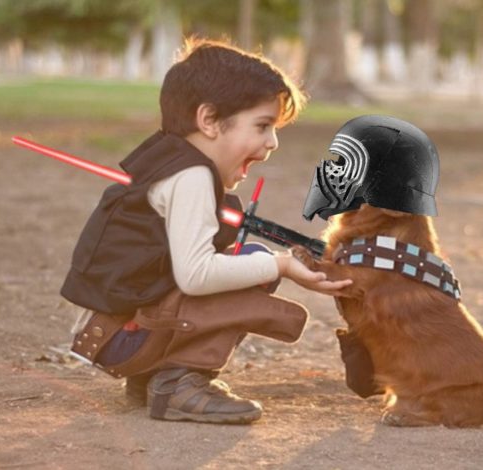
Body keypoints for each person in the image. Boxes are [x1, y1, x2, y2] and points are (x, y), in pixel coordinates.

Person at [64, 38, 351, 424]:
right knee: (255, 264)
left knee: (248, 262)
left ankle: (153, 377)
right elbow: (195, 275)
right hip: (121, 341)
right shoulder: (192, 176)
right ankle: (178, 383)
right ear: (210, 121)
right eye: (263, 126)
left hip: (110, 333)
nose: (272, 142)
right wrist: (280, 266)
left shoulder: (166, 158)